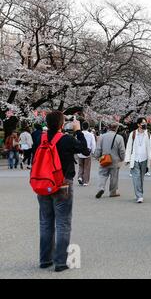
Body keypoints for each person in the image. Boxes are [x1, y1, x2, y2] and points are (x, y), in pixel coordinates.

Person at [34, 111, 90, 272]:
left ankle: (45, 259)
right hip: (62, 184)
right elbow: (85, 151)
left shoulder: (40, 138)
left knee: (45, 222)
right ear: (61, 124)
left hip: (43, 183)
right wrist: (78, 131)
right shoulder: (66, 140)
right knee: (63, 222)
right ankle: (60, 262)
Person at [124, 117, 151, 203]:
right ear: (138, 124)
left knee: (141, 178)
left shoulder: (147, 134)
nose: (144, 124)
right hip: (135, 159)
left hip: (144, 159)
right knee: (136, 177)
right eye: (142, 123)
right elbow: (129, 146)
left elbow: (150, 146)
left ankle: (139, 193)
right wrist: (127, 159)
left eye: (145, 123)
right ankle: (139, 195)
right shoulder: (133, 134)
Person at [94, 123, 126, 199]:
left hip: (104, 158)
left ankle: (101, 188)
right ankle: (113, 192)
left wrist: (97, 156)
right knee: (114, 176)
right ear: (117, 128)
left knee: (102, 174)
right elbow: (122, 150)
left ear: (108, 128)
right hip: (115, 160)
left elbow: (98, 148)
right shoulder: (119, 138)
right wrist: (122, 158)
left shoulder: (102, 137)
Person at [77, 122, 96, 186]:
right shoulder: (91, 135)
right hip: (87, 152)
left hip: (80, 152)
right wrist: (93, 152)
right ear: (88, 127)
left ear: (82, 127)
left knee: (81, 166)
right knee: (87, 167)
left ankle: (80, 177)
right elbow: (93, 144)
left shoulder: (79, 134)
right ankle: (85, 181)